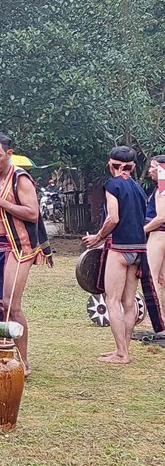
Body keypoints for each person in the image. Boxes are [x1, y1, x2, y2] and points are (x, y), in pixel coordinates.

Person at [0, 132, 50, 375]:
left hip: (18, 246)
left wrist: (1, 201)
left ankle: (23, 361)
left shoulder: (20, 179)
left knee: (11, 305)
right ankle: (1, 354)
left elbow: (32, 213)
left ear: (9, 154)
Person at [82, 147, 164, 362]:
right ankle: (123, 349)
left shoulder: (112, 185)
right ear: (133, 166)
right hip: (139, 250)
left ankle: (121, 353)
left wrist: (97, 238)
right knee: (129, 302)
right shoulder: (138, 188)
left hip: (119, 250)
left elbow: (113, 218)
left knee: (112, 300)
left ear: (111, 164)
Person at [143, 154, 165, 327]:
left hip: (158, 235)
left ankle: (154, 318)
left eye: (153, 167)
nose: (150, 170)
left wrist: (141, 230)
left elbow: (160, 218)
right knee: (163, 279)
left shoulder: (162, 189)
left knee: (152, 277)